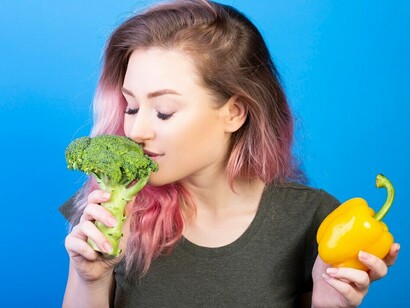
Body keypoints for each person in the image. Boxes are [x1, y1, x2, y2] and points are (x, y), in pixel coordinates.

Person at [60, 0, 400, 307]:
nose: (135, 132)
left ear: (234, 112)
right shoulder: (108, 210)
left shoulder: (314, 219)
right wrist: (89, 278)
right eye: (131, 107)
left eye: (164, 111)